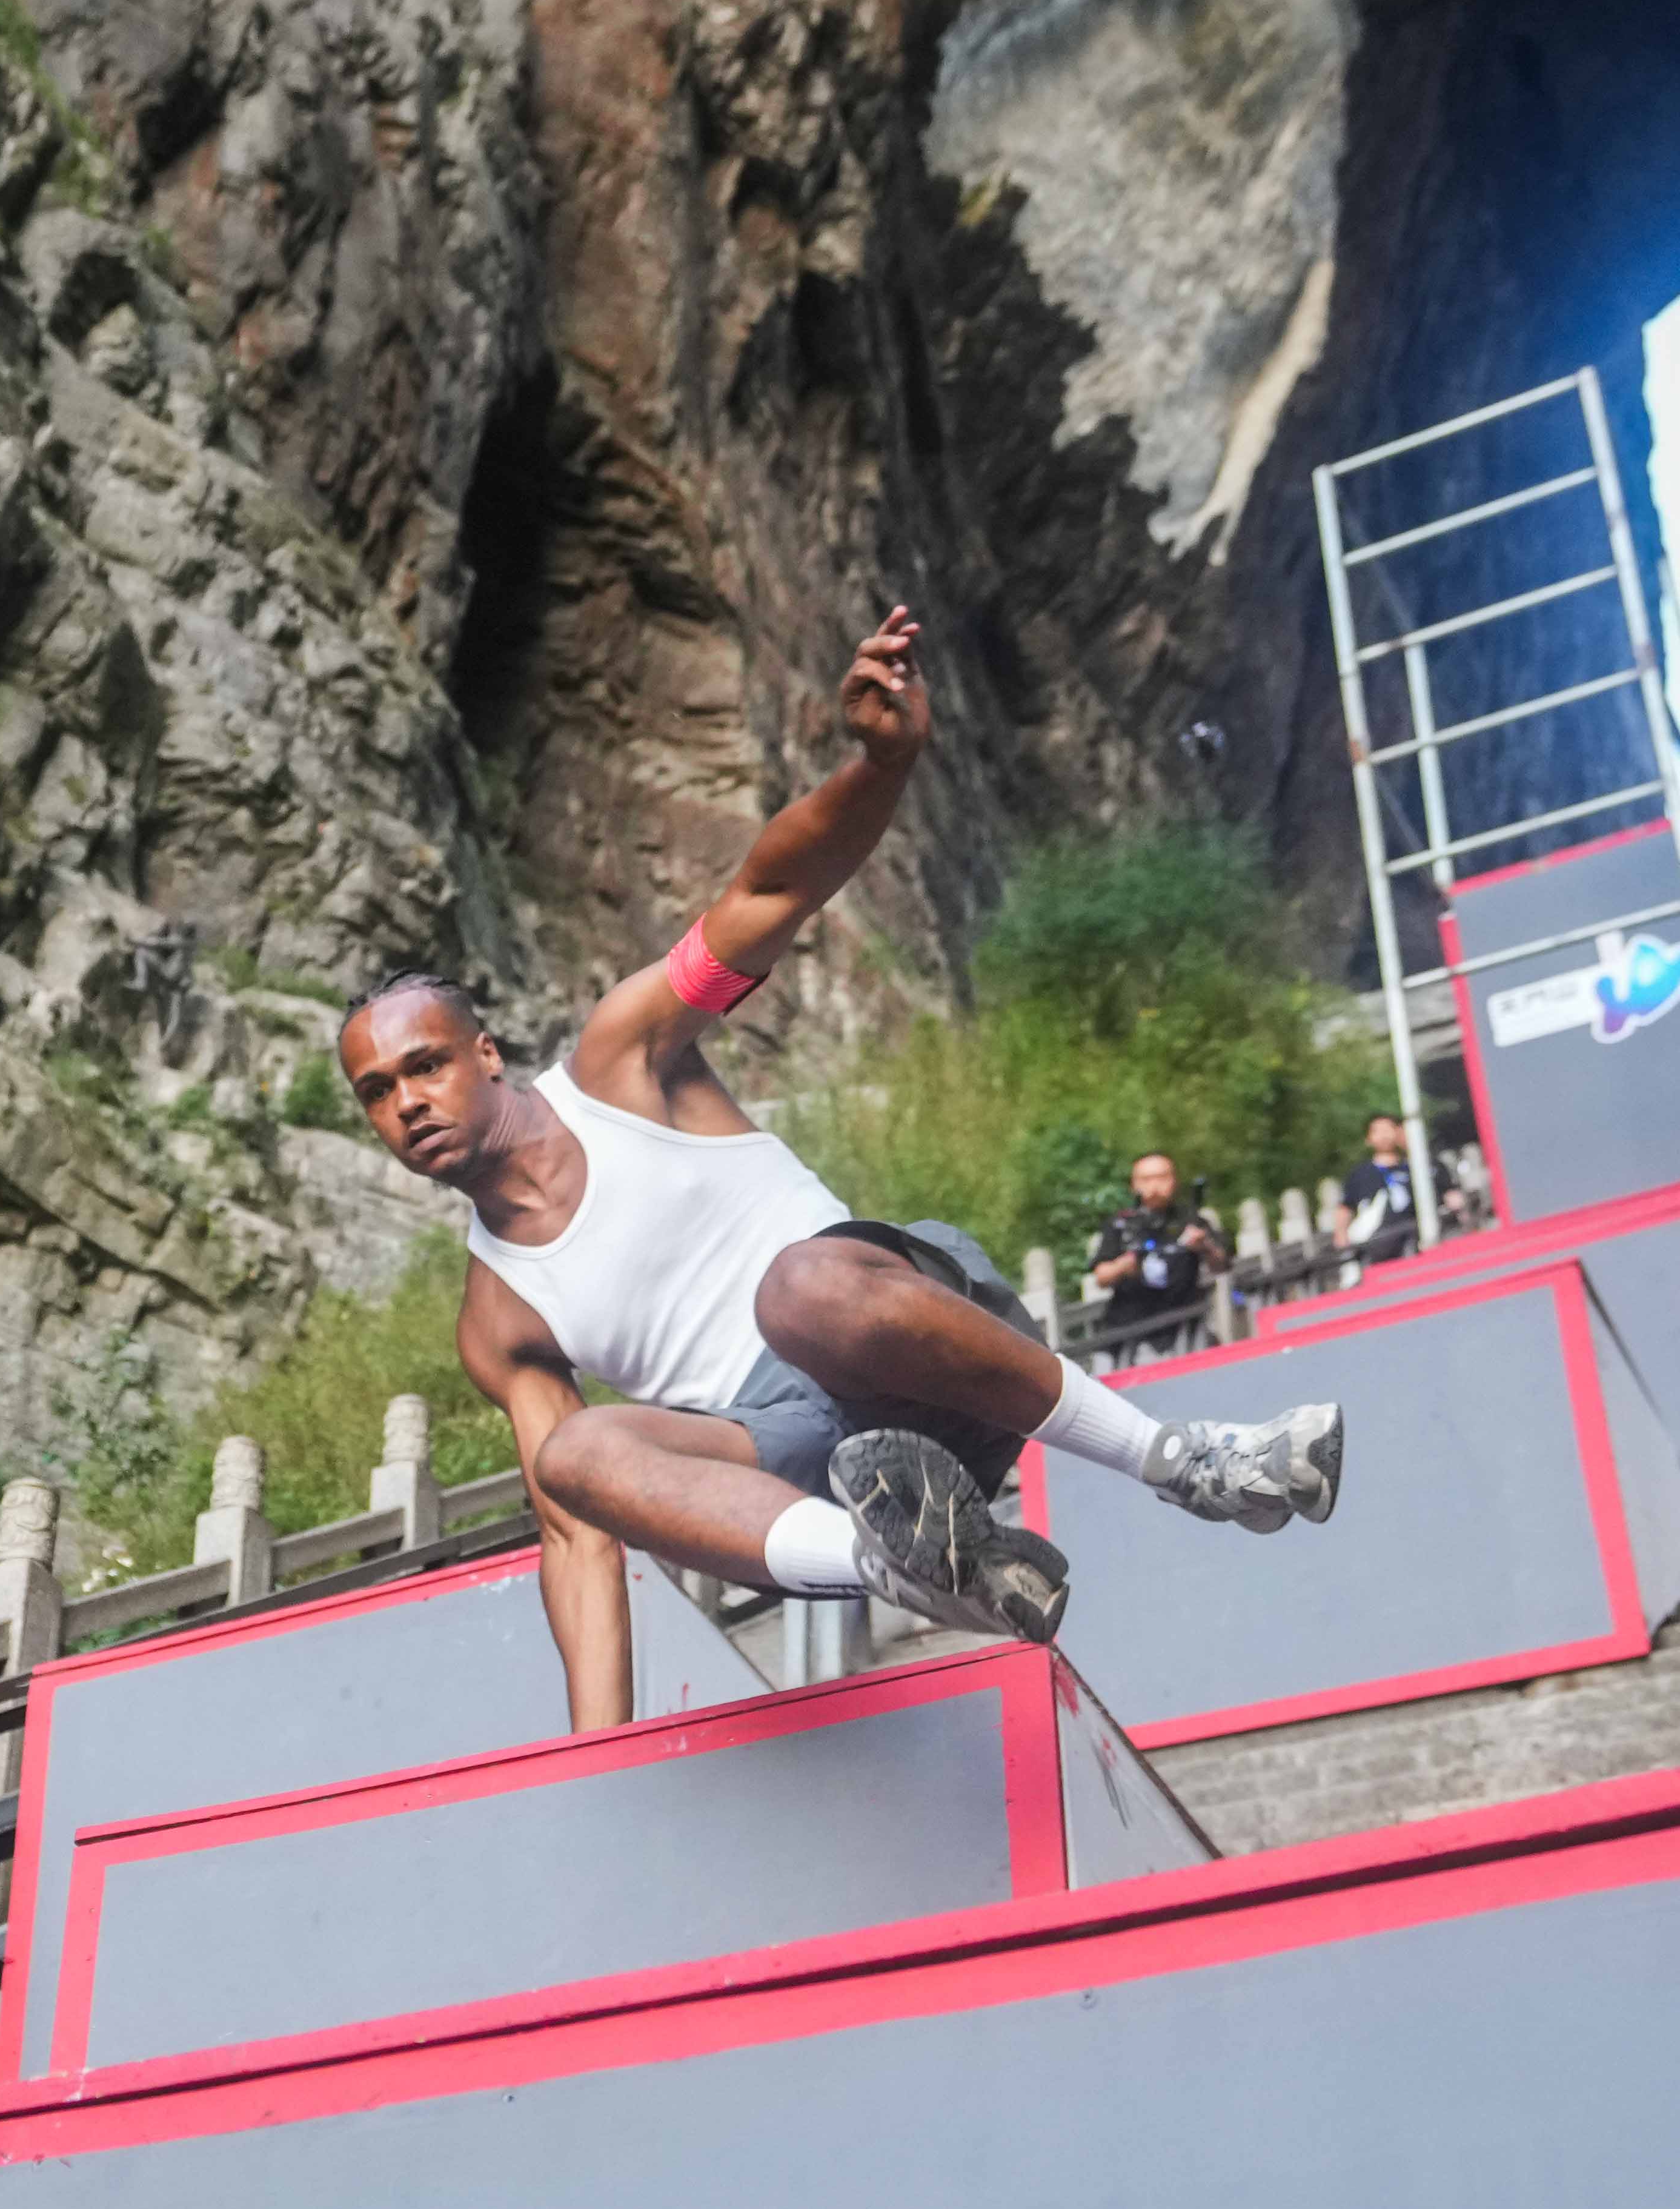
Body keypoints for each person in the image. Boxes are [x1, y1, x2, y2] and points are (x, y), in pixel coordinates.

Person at [332, 606, 1343, 1731]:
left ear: (483, 1053)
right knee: (575, 1454)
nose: (406, 1101)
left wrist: (880, 763)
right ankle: (904, 1560)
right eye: (376, 1092)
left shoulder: (620, 1059)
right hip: (814, 1460)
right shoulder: (495, 1316)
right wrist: (595, 1764)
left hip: (896, 1325)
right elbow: (576, 1539)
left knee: (797, 1290)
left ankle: (1184, 1459)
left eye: (422, 1065)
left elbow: (768, 895)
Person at [1089, 1155, 1225, 1350]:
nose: (1154, 1186)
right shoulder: (1121, 1225)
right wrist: (1124, 1265)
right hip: (1130, 1328)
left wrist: (1204, 1246)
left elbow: (1223, 1266)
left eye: (1162, 1177)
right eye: (1146, 1179)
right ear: (1134, 1185)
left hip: (1184, 1323)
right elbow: (1102, 1277)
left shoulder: (1191, 1219)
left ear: (1174, 1181)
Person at [1325, 1114, 1421, 1261]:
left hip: (1412, 1237)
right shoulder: (1360, 1174)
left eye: (1388, 1130)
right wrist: (1341, 1235)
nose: (1384, 1136)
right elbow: (1346, 1207)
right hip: (1376, 1244)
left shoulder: (1413, 1168)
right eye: (1378, 1131)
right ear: (1368, 1139)